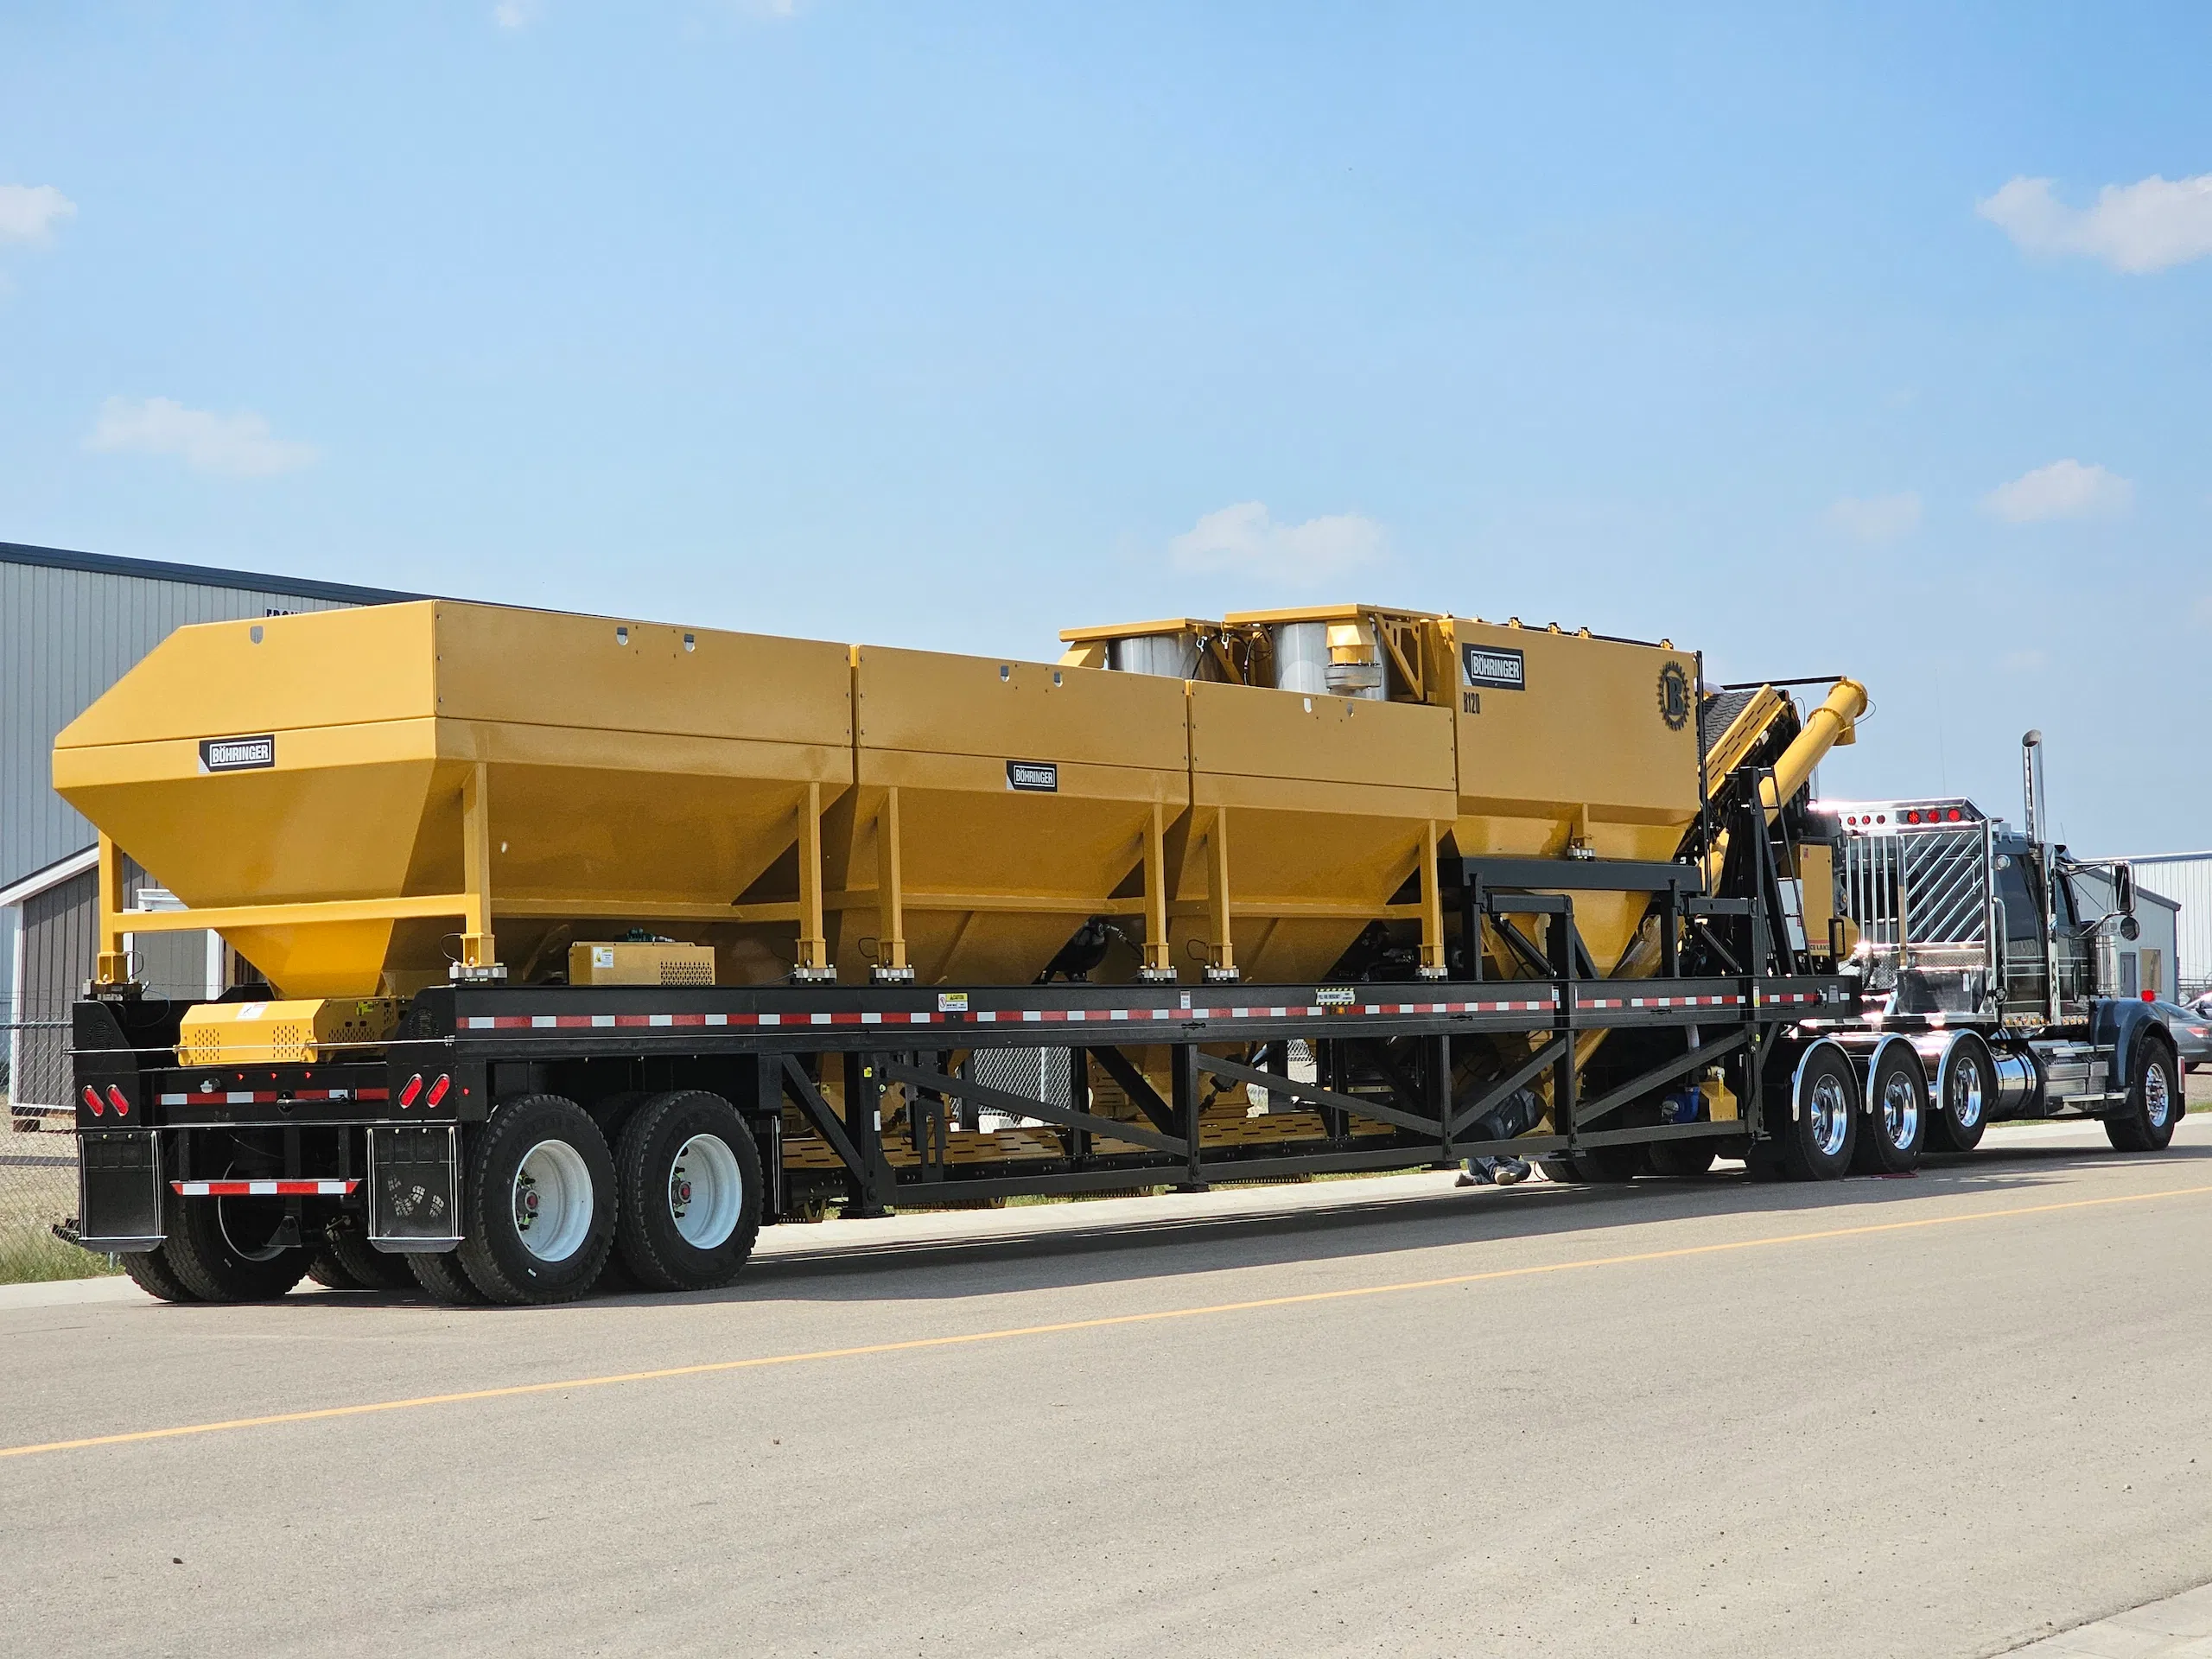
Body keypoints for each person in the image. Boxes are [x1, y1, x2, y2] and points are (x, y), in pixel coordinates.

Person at [1454, 1086, 1544, 1187]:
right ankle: (1494, 1169)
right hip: (1482, 1155)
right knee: (1479, 1141)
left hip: (1482, 1164)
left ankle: (1475, 1179)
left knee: (1525, 1168)